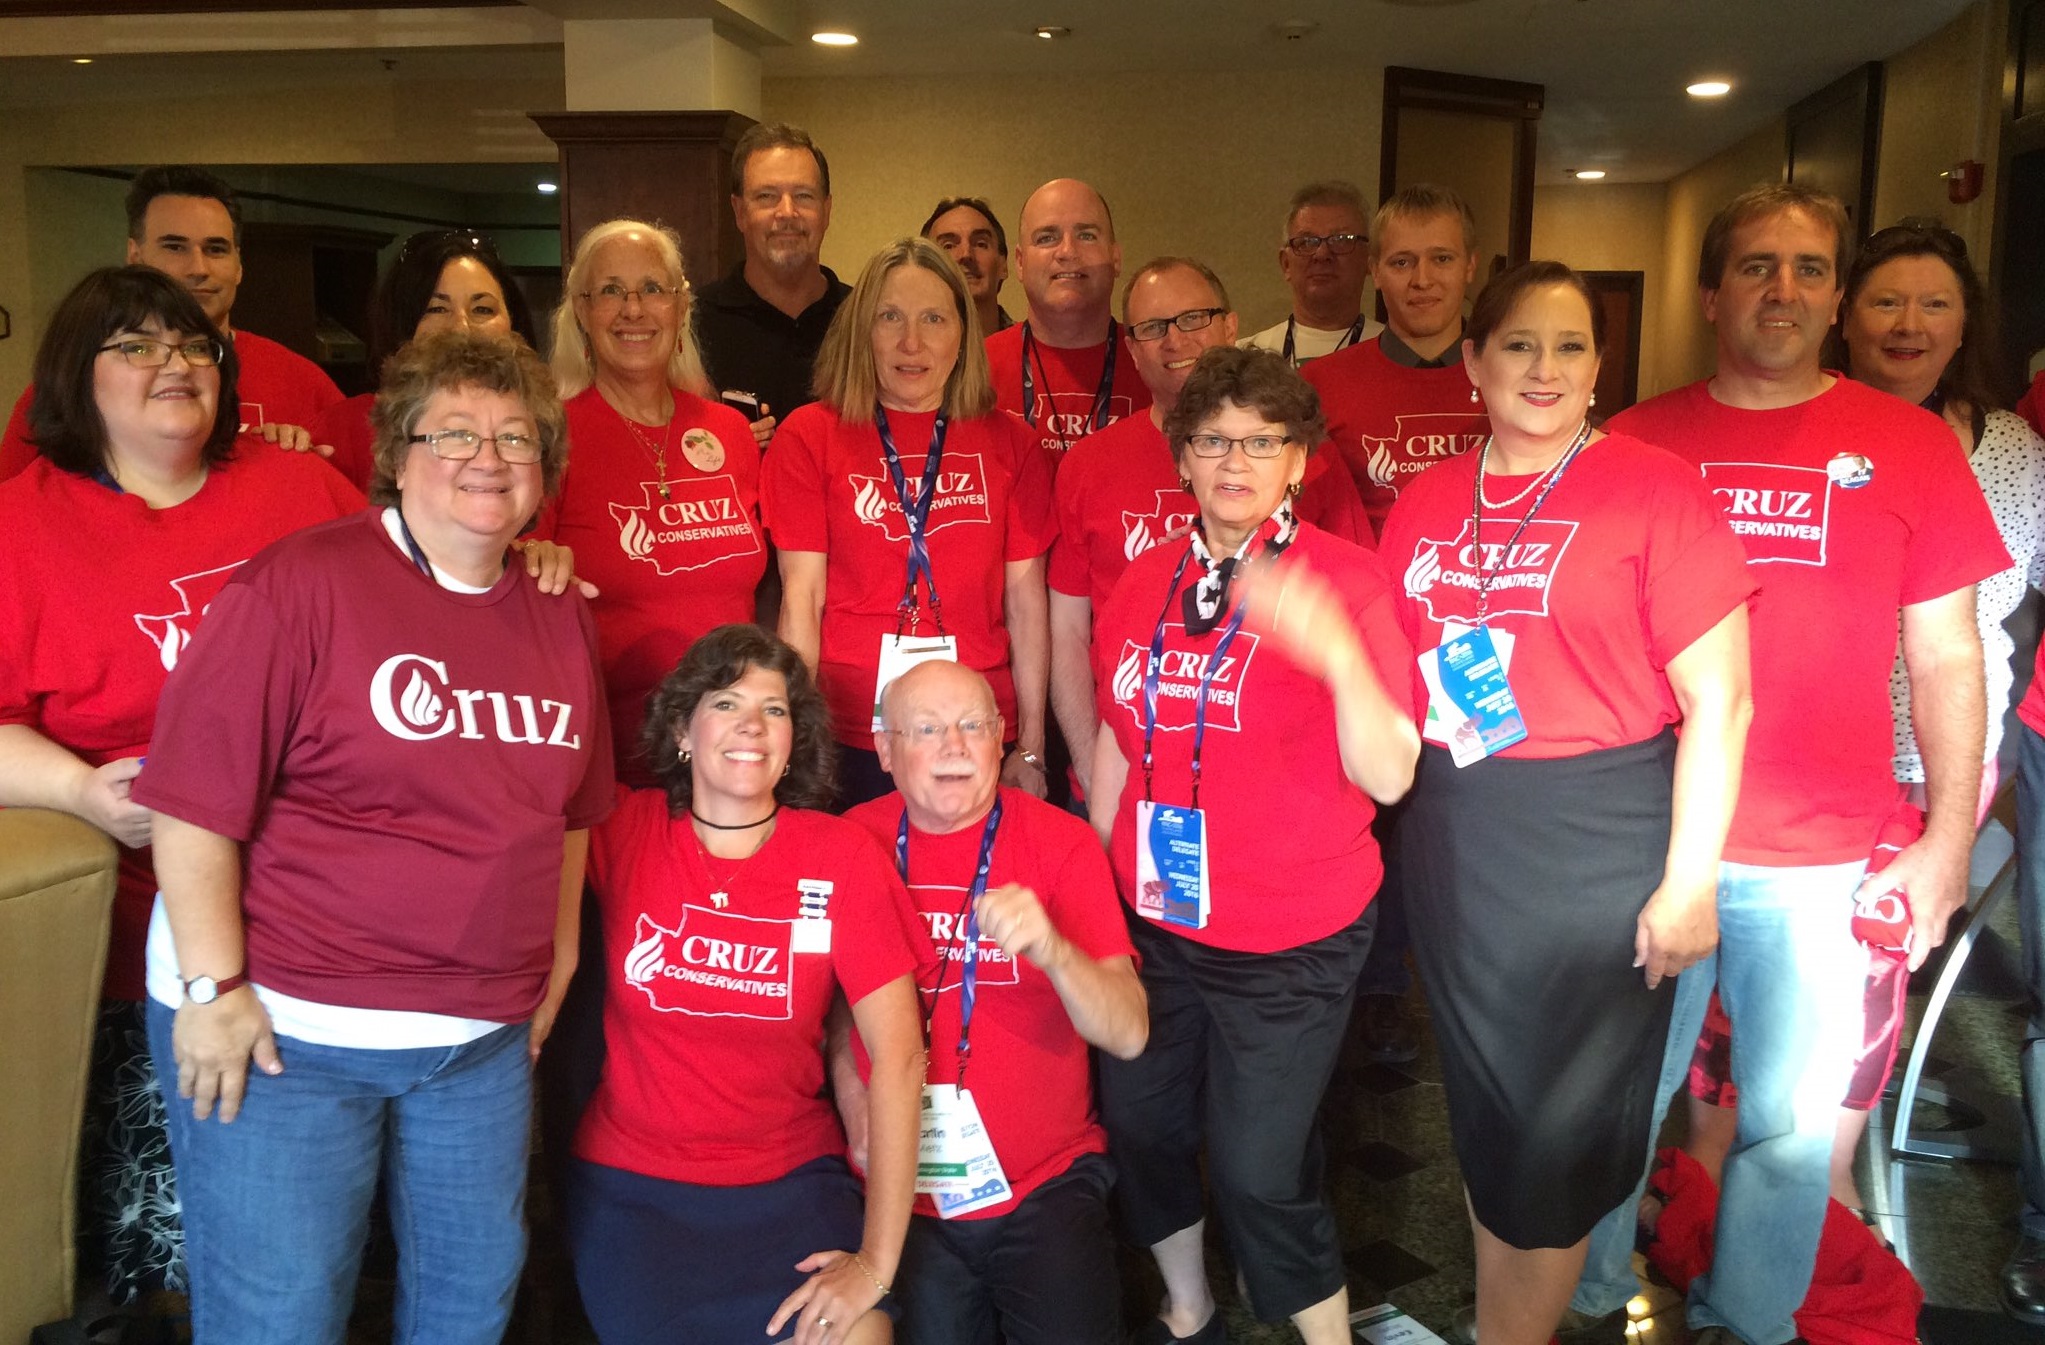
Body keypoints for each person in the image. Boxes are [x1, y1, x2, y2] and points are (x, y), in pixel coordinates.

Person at [1567, 184, 2010, 1345]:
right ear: (1709, 294)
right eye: (1755, 266)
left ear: (1834, 297)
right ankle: (1583, 1298)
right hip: (1648, 843)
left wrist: (1945, 842)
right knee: (1616, 1099)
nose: (1781, 289)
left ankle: (1748, 1320)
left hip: (1816, 857)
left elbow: (1947, 655)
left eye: (1808, 269)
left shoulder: (1909, 446)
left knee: (1788, 1122)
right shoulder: (1630, 442)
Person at [130, 329, 614, 1343]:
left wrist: (558, 955)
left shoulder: (559, 610)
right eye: (454, 433)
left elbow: (570, 809)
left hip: (476, 1046)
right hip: (289, 1032)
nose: (488, 457)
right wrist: (212, 989)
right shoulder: (298, 584)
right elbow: (191, 800)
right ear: (397, 453)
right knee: (281, 1316)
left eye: (516, 438)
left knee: (467, 1306)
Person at [1376, 261, 1755, 1345]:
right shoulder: (1427, 498)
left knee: (1554, 1128)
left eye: (1570, 346)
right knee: (1488, 1108)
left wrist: (1687, 885)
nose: (1543, 368)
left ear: (1597, 368)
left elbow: (1720, 700)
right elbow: (1396, 680)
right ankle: (1507, 1320)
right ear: (1472, 362)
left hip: (1593, 844)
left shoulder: (1652, 488)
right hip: (1456, 840)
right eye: (1518, 344)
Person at [0, 265, 363, 1332]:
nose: (175, 365)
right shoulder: (19, 526)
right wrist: (79, 788)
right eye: (138, 346)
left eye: (194, 345)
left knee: (319, 1227)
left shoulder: (299, 490)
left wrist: (524, 551)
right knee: (180, 1249)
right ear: (79, 373)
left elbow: (423, 592)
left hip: (328, 920)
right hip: (137, 943)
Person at [1090, 346, 1418, 1345]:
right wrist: (1101, 895)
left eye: (1261, 441)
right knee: (1141, 1126)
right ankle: (1187, 1302)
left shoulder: (1347, 583)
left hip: (1289, 939)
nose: (1235, 461)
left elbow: (1390, 775)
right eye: (1212, 440)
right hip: (1157, 920)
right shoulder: (1142, 580)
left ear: (1299, 460)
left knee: (1256, 1170)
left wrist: (1334, 654)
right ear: (1181, 456)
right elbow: (1116, 737)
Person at [566, 624, 923, 1344]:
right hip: (636, 1190)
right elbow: (529, 781)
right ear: (682, 729)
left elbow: (901, 1057)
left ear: (794, 740)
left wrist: (876, 1263)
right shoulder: (624, 829)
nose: (752, 725)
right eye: (726, 703)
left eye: (775, 709)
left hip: (790, 1184)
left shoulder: (839, 855)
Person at [839, 659, 1146, 1344]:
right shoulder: (850, 843)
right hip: (902, 1193)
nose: (954, 746)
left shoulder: (1061, 842)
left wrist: (1054, 950)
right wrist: (855, 1103)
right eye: (927, 729)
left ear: (1000, 736)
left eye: (972, 726)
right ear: (884, 749)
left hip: (1045, 1184)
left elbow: (1128, 1032)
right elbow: (832, 1008)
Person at [1049, 257, 1370, 802]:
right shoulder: (1087, 466)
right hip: (1128, 774)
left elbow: (1355, 611)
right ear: (1131, 349)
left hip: (1274, 787)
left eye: (1194, 317)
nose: (1175, 339)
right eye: (1153, 327)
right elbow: (1069, 633)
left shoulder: (1304, 459)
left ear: (1230, 326)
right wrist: (1093, 771)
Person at [763, 237, 1055, 807]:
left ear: (963, 334)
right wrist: (794, 739)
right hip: (848, 729)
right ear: (861, 330)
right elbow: (802, 598)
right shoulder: (809, 436)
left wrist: (1032, 748)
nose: (911, 342)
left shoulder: (1011, 443)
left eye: (934, 319)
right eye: (890, 317)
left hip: (977, 727)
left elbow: (1026, 604)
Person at [533, 217, 767, 781]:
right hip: (614, 753)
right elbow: (520, 580)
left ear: (681, 307)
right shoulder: (549, 438)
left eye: (652, 289)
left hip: (737, 749)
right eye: (611, 291)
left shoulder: (730, 432)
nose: (633, 309)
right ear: (582, 311)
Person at [2, 165, 344, 479]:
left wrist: (299, 467)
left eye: (216, 249)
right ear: (135, 256)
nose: (198, 268)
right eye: (175, 247)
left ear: (239, 265)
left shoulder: (307, 384)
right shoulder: (69, 387)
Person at [1303, 182, 1489, 539]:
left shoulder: (1512, 382)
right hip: (1364, 573)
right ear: (1375, 271)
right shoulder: (1318, 385)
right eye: (1402, 262)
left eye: (1442, 258)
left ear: (1470, 265)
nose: (1422, 280)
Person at [308, 228, 539, 490]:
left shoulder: (543, 426)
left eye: (482, 309)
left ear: (513, 322)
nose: (461, 326)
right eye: (437, 309)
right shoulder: (342, 431)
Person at [696, 123, 850, 448]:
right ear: (739, 212)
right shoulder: (692, 324)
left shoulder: (863, 318)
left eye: (803, 196)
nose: (787, 212)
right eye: (767, 196)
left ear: (826, 210)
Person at [983, 178, 1151, 465]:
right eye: (1046, 238)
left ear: (1115, 257)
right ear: (1020, 262)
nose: (1067, 252)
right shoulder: (975, 369)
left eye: (1086, 235)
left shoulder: (1155, 364)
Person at [1239, 181, 1384, 367]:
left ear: (1369, 260)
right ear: (1286, 264)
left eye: (1340, 240)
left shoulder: (1398, 355)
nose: (1322, 254)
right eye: (1306, 242)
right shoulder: (1246, 361)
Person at [922, 196, 1013, 336]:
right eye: (948, 246)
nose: (966, 254)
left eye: (980, 244)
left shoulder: (1031, 348)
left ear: (1003, 265)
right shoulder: (907, 347)